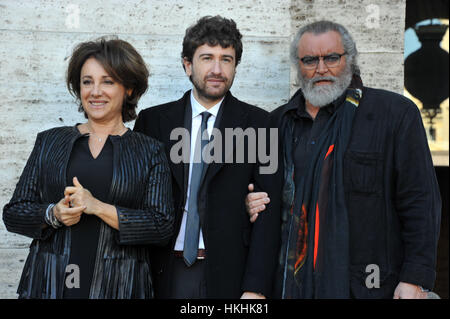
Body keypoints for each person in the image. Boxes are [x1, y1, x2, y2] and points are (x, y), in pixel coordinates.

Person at [245, 20, 441, 299]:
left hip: (367, 288)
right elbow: (267, 201)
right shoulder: (278, 122)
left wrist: (415, 278)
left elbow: (420, 201)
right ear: (298, 66)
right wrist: (249, 201)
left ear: (349, 60)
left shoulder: (394, 114)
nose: (321, 69)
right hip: (290, 287)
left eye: (332, 58)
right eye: (310, 60)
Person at [3, 38, 174, 299]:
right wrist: (53, 214)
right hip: (50, 283)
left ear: (128, 88)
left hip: (121, 287)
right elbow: (14, 213)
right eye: (87, 81)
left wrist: (98, 207)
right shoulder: (49, 141)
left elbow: (161, 226)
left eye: (108, 81)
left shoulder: (149, 150)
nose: (95, 91)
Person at [134, 15, 281, 299]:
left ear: (236, 66)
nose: (217, 69)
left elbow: (269, 215)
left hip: (230, 275)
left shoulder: (261, 124)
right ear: (188, 65)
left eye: (226, 59)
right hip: (162, 270)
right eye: (207, 58)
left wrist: (256, 288)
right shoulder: (153, 122)